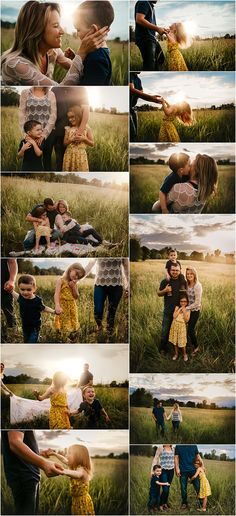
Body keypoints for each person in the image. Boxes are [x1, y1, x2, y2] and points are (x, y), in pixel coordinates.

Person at [1, 1, 110, 86]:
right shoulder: (15, 64)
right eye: (56, 25)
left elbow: (78, 71)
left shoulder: (53, 51)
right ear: (37, 30)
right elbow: (61, 90)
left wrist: (76, 57)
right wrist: (81, 53)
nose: (62, 31)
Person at [1, 430, 63, 515]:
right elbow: (15, 443)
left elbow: (22, 443)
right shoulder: (17, 420)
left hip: (29, 476)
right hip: (24, 477)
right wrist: (44, 464)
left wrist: (39, 452)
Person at [43, 87, 90, 172]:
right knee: (46, 158)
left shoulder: (81, 89)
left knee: (61, 161)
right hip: (50, 130)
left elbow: (86, 111)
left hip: (67, 133)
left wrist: (78, 133)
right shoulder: (55, 89)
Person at [72, 0, 114, 85]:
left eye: (78, 29)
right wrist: (76, 59)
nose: (77, 33)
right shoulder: (99, 52)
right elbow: (86, 70)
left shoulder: (97, 59)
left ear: (93, 30)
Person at [45, 444, 95, 515]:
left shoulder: (82, 470)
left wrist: (62, 471)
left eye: (69, 453)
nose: (66, 455)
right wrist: (54, 454)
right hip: (76, 501)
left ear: (78, 457)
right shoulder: (74, 466)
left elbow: (77, 474)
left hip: (83, 502)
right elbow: (63, 459)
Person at [85, 258, 129, 337]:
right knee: (98, 310)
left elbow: (126, 267)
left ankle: (109, 334)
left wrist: (128, 286)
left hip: (117, 284)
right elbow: (90, 264)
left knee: (112, 312)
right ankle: (99, 325)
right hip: (100, 283)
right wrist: (76, 279)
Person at [12, 274, 55, 343]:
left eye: (29, 290)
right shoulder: (22, 298)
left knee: (32, 343)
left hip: (34, 327)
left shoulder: (37, 301)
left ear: (34, 289)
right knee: (26, 341)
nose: (25, 292)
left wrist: (54, 311)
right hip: (25, 326)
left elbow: (44, 308)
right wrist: (11, 291)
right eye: (22, 289)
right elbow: (16, 296)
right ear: (19, 288)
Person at [157, 263, 187, 353]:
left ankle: (179, 349)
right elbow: (158, 293)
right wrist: (165, 290)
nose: (175, 272)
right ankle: (163, 348)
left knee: (179, 332)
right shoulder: (166, 281)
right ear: (169, 270)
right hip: (168, 311)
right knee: (165, 331)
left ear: (180, 271)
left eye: (177, 270)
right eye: (173, 270)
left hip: (180, 313)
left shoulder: (183, 282)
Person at [54, 262, 86, 341]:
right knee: (64, 320)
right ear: (71, 269)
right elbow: (56, 294)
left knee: (73, 319)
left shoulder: (74, 283)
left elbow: (76, 296)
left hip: (72, 305)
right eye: (76, 273)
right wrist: (57, 305)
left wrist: (73, 287)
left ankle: (73, 335)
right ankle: (65, 337)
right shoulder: (61, 280)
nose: (76, 277)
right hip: (63, 305)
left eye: (78, 276)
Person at [134, 1, 168, 70]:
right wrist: (157, 29)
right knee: (149, 65)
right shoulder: (143, 2)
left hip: (152, 38)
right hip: (145, 38)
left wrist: (162, 29)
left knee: (160, 59)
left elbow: (149, 23)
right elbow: (139, 19)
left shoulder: (150, 5)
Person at [129, 72, 162, 141]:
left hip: (132, 110)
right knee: (131, 135)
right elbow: (131, 90)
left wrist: (153, 99)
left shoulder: (138, 80)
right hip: (127, 109)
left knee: (135, 135)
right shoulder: (130, 75)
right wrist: (151, 98)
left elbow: (141, 93)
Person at [63, 106, 94, 172]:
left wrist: (84, 139)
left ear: (79, 116)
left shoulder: (86, 128)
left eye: (72, 117)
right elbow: (64, 143)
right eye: (69, 118)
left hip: (81, 156)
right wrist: (70, 140)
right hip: (69, 155)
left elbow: (92, 143)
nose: (70, 119)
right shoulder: (68, 128)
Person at [175, 444, 201, 510]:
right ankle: (184, 503)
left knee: (198, 487)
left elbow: (198, 456)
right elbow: (176, 457)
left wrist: (202, 465)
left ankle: (201, 502)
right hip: (183, 471)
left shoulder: (194, 446)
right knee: (183, 488)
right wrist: (177, 468)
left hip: (193, 470)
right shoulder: (178, 446)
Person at [151, 445, 175, 510]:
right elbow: (155, 458)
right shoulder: (161, 447)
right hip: (163, 471)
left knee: (168, 488)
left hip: (171, 470)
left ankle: (165, 503)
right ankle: (160, 504)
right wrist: (152, 471)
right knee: (165, 489)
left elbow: (175, 459)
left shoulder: (173, 448)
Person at [186, 267, 203, 355]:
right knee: (189, 329)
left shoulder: (197, 285)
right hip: (187, 310)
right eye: (188, 274)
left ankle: (196, 347)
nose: (189, 275)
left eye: (191, 274)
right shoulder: (187, 284)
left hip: (195, 310)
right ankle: (191, 344)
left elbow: (197, 302)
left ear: (194, 274)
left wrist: (186, 308)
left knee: (190, 330)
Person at [169, 294, 190, 362]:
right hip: (175, 325)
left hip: (182, 327)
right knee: (175, 342)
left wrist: (184, 311)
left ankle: (184, 354)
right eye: (181, 301)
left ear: (187, 302)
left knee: (182, 342)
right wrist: (180, 309)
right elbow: (174, 316)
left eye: (185, 301)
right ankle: (176, 354)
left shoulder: (188, 310)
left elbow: (186, 320)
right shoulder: (177, 307)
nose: (183, 303)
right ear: (179, 301)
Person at [1, 259, 17, 337]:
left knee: (8, 309)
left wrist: (11, 280)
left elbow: (12, 262)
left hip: (4, 284)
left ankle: (12, 332)